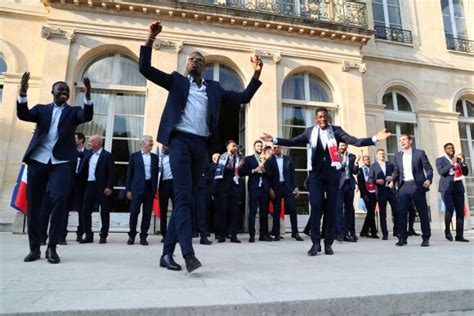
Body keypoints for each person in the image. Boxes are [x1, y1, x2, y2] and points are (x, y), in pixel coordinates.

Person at [139, 20, 262, 273]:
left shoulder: (213, 89)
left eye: (198, 59)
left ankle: (165, 254)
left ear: (204, 67)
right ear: (186, 65)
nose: (193, 61)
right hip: (180, 142)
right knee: (184, 198)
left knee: (187, 199)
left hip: (201, 147)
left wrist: (256, 74)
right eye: (190, 59)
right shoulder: (176, 81)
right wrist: (150, 38)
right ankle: (188, 253)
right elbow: (145, 68)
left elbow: (243, 98)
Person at [261, 107, 390, 256]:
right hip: (316, 177)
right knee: (316, 207)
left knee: (331, 209)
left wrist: (375, 138)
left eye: (325, 117)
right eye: (320, 117)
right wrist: (274, 139)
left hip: (332, 177)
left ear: (328, 118)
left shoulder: (336, 131)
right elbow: (292, 141)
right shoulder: (310, 132)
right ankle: (316, 243)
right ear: (316, 119)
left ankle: (328, 243)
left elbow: (355, 141)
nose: (322, 119)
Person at [17, 72, 93, 264]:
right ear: (53, 92)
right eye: (61, 89)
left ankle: (52, 246)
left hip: (61, 162)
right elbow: (23, 114)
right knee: (34, 204)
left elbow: (86, 115)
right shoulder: (41, 110)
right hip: (38, 159)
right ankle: (34, 248)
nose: (64, 92)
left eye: (67, 90)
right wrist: (23, 93)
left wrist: (88, 96)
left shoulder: (73, 111)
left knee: (60, 198)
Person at [392, 134, 433, 247]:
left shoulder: (419, 153)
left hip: (417, 185)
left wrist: (428, 179)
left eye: (404, 139)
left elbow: (428, 168)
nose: (402, 142)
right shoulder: (397, 156)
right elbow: (396, 171)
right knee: (401, 212)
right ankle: (402, 237)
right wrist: (392, 179)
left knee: (422, 212)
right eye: (400, 140)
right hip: (403, 186)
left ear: (410, 141)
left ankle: (425, 237)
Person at [80, 135, 115, 244]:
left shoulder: (107, 155)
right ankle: (88, 235)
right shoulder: (88, 154)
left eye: (91, 141)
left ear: (97, 143)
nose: (89, 143)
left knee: (104, 212)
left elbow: (112, 173)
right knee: (85, 211)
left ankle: (103, 235)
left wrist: (109, 186)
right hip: (89, 185)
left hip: (102, 187)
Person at [264, 144, 302, 241]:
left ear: (281, 148)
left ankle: (295, 233)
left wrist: (296, 187)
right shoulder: (269, 161)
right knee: (276, 211)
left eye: (278, 147)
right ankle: (277, 234)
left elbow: (293, 173)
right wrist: (270, 189)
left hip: (288, 187)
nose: (276, 149)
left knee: (292, 209)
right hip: (276, 188)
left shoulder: (288, 159)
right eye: (274, 148)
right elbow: (267, 176)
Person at [126, 135, 159, 246]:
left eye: (152, 141)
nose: (152, 142)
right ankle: (131, 236)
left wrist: (155, 189)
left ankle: (143, 236)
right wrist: (128, 190)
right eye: (150, 141)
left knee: (147, 214)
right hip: (137, 188)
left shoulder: (155, 157)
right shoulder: (134, 156)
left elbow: (156, 174)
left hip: (150, 188)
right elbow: (129, 174)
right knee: (134, 212)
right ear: (143, 143)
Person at [239, 140, 272, 242]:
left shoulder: (267, 160)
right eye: (258, 146)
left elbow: (271, 174)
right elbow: (241, 172)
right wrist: (254, 170)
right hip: (254, 189)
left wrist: (265, 171)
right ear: (254, 147)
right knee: (252, 212)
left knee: (264, 213)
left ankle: (263, 235)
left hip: (264, 189)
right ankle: (252, 235)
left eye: (261, 146)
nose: (260, 148)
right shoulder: (248, 159)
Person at [436, 143, 469, 242]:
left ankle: (459, 235)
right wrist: (451, 164)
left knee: (460, 211)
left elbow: (465, 173)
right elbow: (441, 172)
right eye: (449, 148)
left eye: (453, 148)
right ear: (445, 150)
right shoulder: (440, 160)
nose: (452, 150)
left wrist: (463, 163)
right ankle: (447, 231)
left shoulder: (458, 160)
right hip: (446, 188)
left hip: (458, 188)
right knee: (449, 208)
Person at [214, 140, 243, 243]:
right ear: (228, 147)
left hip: (234, 189)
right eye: (233, 146)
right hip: (223, 189)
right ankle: (221, 235)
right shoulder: (223, 157)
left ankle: (233, 235)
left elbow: (240, 174)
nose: (235, 147)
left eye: (236, 146)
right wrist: (227, 167)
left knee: (235, 212)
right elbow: (218, 173)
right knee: (223, 211)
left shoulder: (238, 158)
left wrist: (240, 167)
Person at [369, 148, 397, 240]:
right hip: (381, 191)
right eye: (380, 154)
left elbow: (396, 174)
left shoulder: (390, 164)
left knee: (396, 211)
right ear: (377, 156)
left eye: (383, 154)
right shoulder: (373, 166)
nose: (382, 155)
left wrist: (392, 179)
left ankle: (396, 231)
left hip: (391, 191)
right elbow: (370, 179)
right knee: (382, 213)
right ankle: (385, 234)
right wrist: (376, 181)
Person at [335, 142, 359, 242]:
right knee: (339, 209)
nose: (341, 147)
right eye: (340, 145)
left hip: (349, 185)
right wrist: (344, 161)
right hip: (339, 186)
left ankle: (346, 233)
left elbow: (355, 171)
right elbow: (336, 169)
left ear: (346, 146)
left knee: (349, 210)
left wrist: (357, 163)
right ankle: (339, 233)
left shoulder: (352, 156)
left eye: (343, 145)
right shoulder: (335, 156)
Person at [358, 155, 378, 239]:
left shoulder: (373, 169)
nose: (368, 161)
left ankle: (364, 231)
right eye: (365, 160)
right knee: (371, 213)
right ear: (363, 161)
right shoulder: (360, 170)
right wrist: (364, 194)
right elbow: (360, 183)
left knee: (370, 213)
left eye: (368, 159)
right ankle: (373, 232)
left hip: (374, 193)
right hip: (366, 193)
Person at [158, 145, 174, 242]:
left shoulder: (175, 157)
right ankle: (164, 234)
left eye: (168, 146)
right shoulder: (159, 158)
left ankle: (175, 232)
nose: (166, 148)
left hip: (174, 183)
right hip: (163, 185)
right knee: (163, 210)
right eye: (164, 146)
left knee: (177, 209)